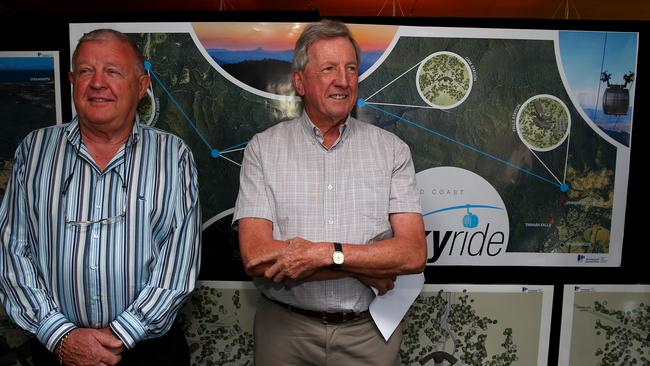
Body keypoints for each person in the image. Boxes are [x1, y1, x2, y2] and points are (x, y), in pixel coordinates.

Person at [0, 29, 201, 366]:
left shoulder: (173, 156)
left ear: (141, 86)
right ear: (71, 80)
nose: (97, 83)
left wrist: (119, 335)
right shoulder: (33, 150)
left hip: (148, 354)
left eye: (112, 71)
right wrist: (60, 335)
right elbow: (11, 250)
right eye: (85, 71)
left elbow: (177, 266)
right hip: (57, 351)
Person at [233, 19, 426, 365]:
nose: (343, 80)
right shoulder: (263, 149)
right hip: (284, 332)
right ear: (299, 82)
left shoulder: (393, 151)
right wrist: (365, 267)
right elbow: (257, 256)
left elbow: (412, 254)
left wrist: (324, 253)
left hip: (368, 335)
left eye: (351, 69)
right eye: (329, 69)